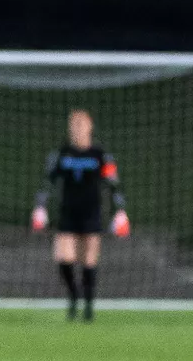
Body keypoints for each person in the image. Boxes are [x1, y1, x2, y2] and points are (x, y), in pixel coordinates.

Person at [31, 108, 130, 321]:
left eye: (81, 125)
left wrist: (120, 212)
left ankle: (88, 306)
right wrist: (40, 206)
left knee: (88, 261)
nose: (77, 130)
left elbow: (114, 185)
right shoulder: (62, 154)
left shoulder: (100, 155)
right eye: (73, 126)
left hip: (92, 213)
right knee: (63, 258)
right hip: (68, 213)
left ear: (89, 127)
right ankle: (74, 295)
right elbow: (47, 182)